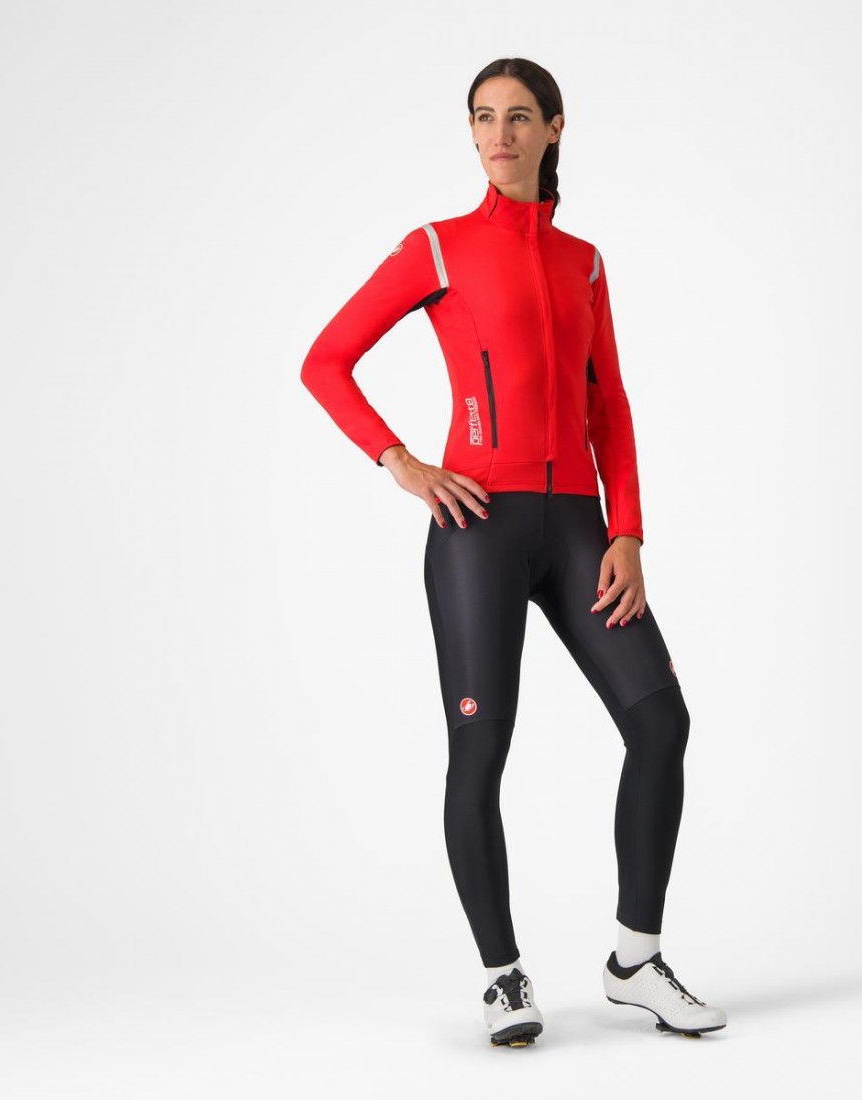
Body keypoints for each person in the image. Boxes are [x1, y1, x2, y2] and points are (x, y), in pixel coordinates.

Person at [300, 57, 727, 1047]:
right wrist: (404, 463)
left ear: (553, 129)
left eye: (519, 117)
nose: (499, 134)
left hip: (577, 528)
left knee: (659, 722)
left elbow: (607, 405)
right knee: (480, 750)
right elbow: (325, 361)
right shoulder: (437, 247)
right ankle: (503, 975)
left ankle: (634, 960)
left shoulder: (583, 261)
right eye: (483, 117)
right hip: (478, 529)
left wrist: (627, 529)